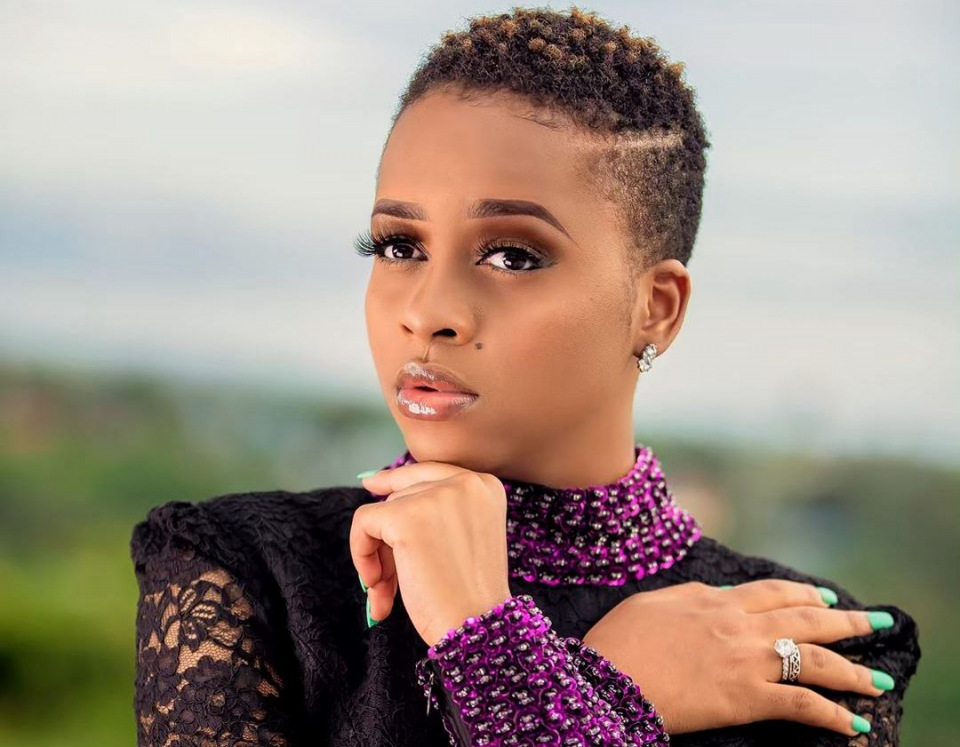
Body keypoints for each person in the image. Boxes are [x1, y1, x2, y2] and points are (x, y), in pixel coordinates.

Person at [130, 6, 920, 746]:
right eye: (400, 246)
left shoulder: (795, 641)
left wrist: (493, 643)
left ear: (655, 308)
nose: (429, 311)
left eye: (511, 255)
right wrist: (557, 677)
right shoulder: (243, 578)